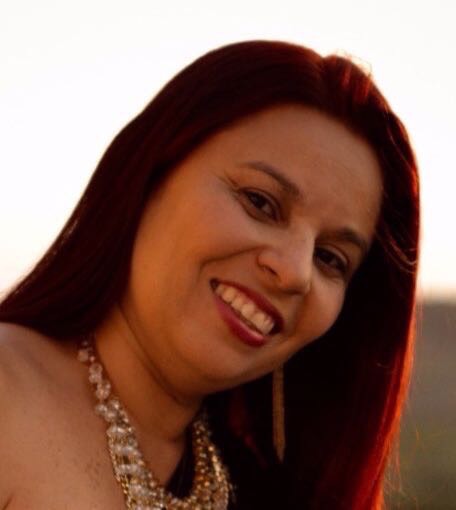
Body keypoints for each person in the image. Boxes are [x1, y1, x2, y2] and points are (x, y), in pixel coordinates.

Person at [0, 40, 420, 509]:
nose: (295, 272)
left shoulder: (266, 493)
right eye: (260, 202)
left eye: (330, 258)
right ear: (151, 173)